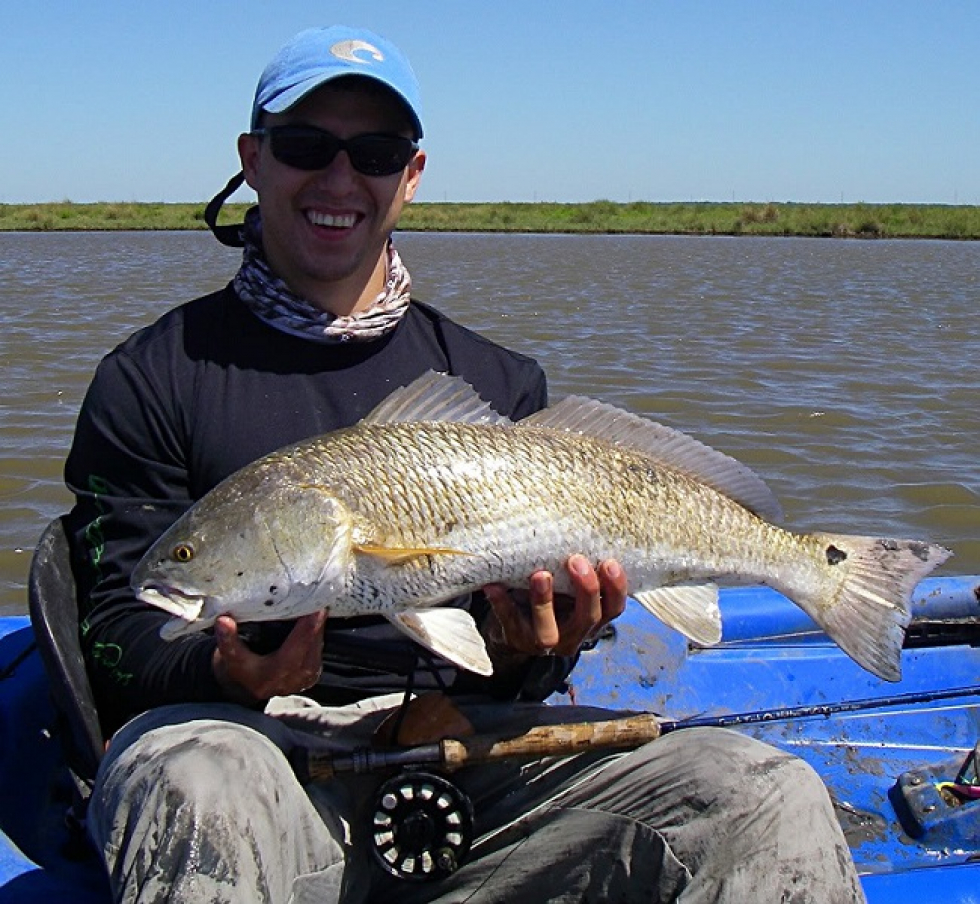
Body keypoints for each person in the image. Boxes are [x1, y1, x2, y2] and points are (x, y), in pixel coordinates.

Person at [63, 24, 866, 904]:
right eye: (304, 147)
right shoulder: (151, 378)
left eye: (374, 152)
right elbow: (117, 629)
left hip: (479, 754)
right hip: (257, 755)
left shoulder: (498, 382)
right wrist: (227, 672)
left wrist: (535, 646)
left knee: (762, 796)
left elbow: (522, 658)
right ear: (252, 159)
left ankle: (825, 574)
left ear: (410, 175)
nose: (339, 180)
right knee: (193, 781)